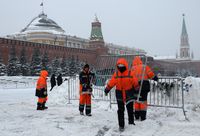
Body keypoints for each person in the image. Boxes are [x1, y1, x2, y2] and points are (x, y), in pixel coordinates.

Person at [104, 58, 139, 131]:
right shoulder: (116, 74)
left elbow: (135, 83)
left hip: (129, 93)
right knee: (120, 110)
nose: (120, 67)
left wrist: (137, 90)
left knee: (130, 108)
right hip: (119, 93)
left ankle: (131, 122)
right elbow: (111, 82)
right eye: (119, 65)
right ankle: (121, 125)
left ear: (125, 65)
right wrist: (107, 89)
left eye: (122, 65)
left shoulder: (130, 73)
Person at [131, 56, 158, 121]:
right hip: (144, 86)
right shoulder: (144, 67)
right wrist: (155, 78)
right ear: (140, 60)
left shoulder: (132, 68)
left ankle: (137, 116)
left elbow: (130, 78)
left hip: (135, 86)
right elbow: (150, 74)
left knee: (136, 101)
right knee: (143, 101)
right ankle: (143, 117)